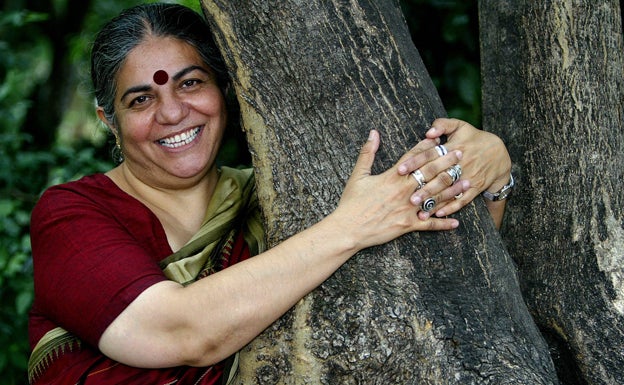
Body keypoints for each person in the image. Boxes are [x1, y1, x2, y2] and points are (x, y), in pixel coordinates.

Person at [27, 3, 512, 384]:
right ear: (107, 121)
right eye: (140, 99)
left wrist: (489, 173)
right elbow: (176, 330)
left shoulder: (277, 198)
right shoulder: (71, 215)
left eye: (190, 83)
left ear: (224, 92)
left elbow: (434, 276)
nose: (172, 113)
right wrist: (352, 226)